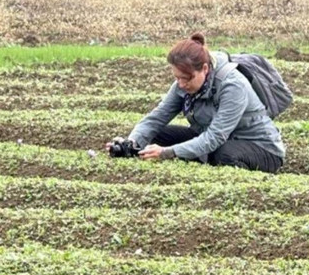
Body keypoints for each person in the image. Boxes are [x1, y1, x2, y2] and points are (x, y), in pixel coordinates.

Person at [107, 32, 285, 173]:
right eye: (177, 78)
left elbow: (215, 137)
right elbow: (156, 118)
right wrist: (130, 143)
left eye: (186, 79)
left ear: (205, 69)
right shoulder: (182, 84)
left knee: (224, 155)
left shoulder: (232, 85)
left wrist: (168, 152)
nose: (182, 84)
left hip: (261, 149)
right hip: (216, 141)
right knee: (155, 136)